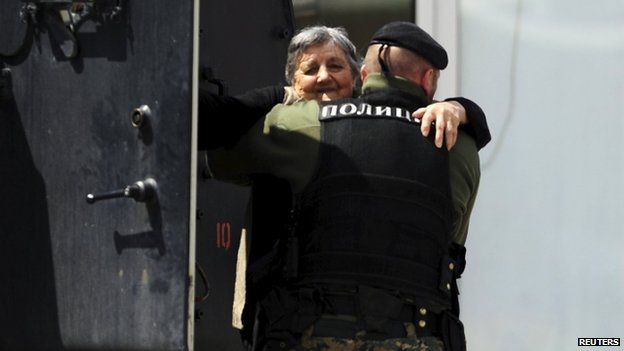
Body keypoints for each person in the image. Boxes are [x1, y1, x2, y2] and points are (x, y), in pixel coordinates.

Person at [206, 22, 480, 351]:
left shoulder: (295, 127)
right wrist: (462, 110)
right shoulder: (457, 145)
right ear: (428, 80)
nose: (323, 77)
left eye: (335, 66)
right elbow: (451, 239)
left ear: (361, 75)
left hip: (310, 333)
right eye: (310, 69)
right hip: (421, 336)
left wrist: (279, 104)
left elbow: (219, 154)